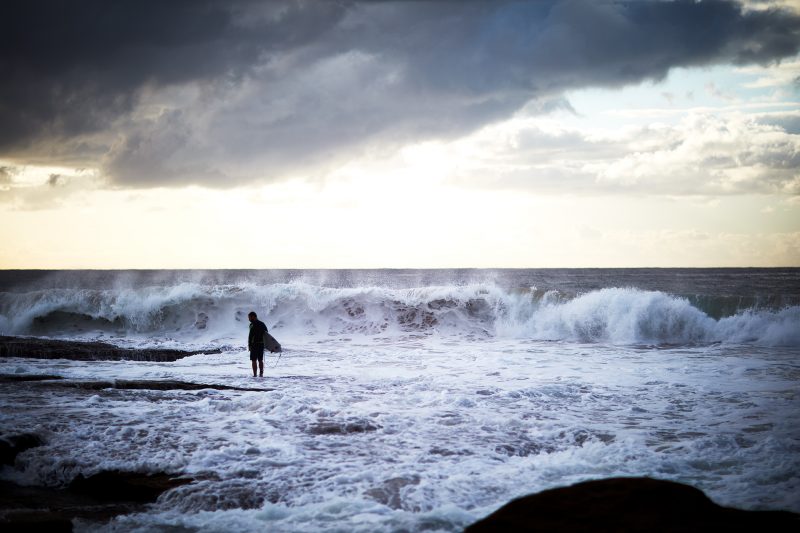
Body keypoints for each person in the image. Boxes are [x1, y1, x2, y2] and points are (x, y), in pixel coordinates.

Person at [247, 311, 268, 377]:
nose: (249, 319)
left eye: (249, 317)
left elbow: (250, 336)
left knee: (253, 360)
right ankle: (261, 373)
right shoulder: (262, 324)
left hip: (254, 345)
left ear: (253, 316)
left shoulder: (252, 325)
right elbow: (266, 333)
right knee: (260, 360)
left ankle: (255, 374)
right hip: (261, 344)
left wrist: (249, 345)